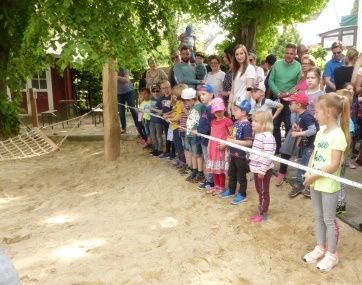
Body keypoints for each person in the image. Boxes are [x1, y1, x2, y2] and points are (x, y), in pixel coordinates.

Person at [302, 93, 350, 271]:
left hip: (328, 185)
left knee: (329, 220)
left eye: (317, 112)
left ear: (328, 111)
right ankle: (319, 247)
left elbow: (334, 164)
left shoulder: (338, 135)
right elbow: (314, 154)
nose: (315, 115)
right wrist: (308, 172)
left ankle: (332, 254)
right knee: (318, 216)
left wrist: (313, 175)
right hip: (315, 181)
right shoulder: (321, 131)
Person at [275, 68, 324, 186]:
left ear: (319, 80)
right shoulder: (300, 94)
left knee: (307, 156)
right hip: (297, 127)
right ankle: (282, 171)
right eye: (308, 78)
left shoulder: (322, 95)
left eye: (313, 78)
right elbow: (293, 112)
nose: (310, 80)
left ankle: (305, 180)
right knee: (286, 148)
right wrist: (293, 123)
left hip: (312, 129)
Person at [283, 93, 319, 198]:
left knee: (305, 165)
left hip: (311, 146)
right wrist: (300, 137)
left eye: (291, 103)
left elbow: (313, 130)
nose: (289, 106)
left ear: (298, 105)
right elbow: (307, 129)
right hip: (307, 144)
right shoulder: (302, 116)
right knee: (303, 164)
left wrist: (297, 134)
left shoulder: (306, 116)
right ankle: (302, 184)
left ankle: (302, 185)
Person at [268, 44, 302, 153]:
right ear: (284, 53)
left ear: (295, 54)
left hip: (290, 100)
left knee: (289, 124)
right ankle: (276, 148)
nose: (289, 55)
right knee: (275, 124)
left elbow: (298, 84)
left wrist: (287, 93)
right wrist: (278, 93)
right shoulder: (277, 65)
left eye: (291, 53)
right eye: (287, 53)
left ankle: (287, 149)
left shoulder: (298, 66)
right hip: (276, 98)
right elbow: (270, 80)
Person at [219, 98, 252, 204]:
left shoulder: (246, 125)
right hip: (233, 154)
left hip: (241, 156)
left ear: (243, 112)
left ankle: (242, 194)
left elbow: (248, 142)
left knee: (241, 176)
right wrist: (229, 141)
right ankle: (231, 190)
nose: (233, 112)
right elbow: (233, 136)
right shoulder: (236, 123)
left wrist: (234, 141)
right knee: (231, 173)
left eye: (236, 110)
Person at [249, 110, 276, 222]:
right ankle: (261, 207)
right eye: (253, 121)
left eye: (256, 121)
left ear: (264, 123)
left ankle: (263, 211)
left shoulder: (268, 136)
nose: (253, 123)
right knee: (259, 189)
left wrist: (262, 170)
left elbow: (268, 155)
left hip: (263, 169)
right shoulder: (258, 134)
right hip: (257, 168)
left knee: (264, 191)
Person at [205, 98, 233, 195]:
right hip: (213, 147)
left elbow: (231, 135)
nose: (218, 113)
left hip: (222, 148)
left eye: (220, 110)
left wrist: (225, 144)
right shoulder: (213, 121)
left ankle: (221, 186)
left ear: (224, 109)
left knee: (220, 169)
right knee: (214, 168)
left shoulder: (228, 121)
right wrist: (209, 147)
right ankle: (216, 185)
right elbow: (211, 134)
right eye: (216, 111)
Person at [183, 87, 206, 183]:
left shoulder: (201, 106)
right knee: (192, 153)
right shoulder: (193, 107)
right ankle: (194, 170)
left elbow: (203, 120)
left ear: (191, 99)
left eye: (186, 102)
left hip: (196, 135)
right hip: (190, 135)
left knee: (198, 154)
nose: (186, 104)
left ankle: (200, 172)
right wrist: (187, 133)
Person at [196, 84, 216, 190]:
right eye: (200, 95)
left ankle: (210, 181)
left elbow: (209, 126)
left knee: (208, 159)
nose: (201, 97)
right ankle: (209, 179)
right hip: (203, 138)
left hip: (207, 139)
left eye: (203, 94)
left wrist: (198, 131)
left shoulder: (210, 109)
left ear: (211, 94)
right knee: (206, 158)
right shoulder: (206, 107)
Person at [165, 84, 188, 168]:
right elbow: (175, 113)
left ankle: (183, 160)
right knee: (177, 144)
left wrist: (170, 119)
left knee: (180, 145)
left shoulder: (182, 104)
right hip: (175, 126)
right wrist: (168, 116)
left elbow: (179, 117)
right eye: (173, 96)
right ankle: (180, 158)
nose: (174, 98)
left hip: (179, 127)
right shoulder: (178, 103)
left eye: (176, 96)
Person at [228, 44, 255, 115]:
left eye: (241, 53)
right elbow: (232, 91)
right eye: (237, 54)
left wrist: (243, 108)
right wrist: (229, 106)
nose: (239, 56)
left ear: (245, 54)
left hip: (243, 108)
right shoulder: (235, 70)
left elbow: (249, 91)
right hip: (235, 106)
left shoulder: (250, 68)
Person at [117, 68, 139, 133]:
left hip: (129, 91)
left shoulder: (123, 69)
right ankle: (123, 127)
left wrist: (116, 77)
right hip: (118, 93)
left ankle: (138, 126)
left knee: (133, 109)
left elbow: (126, 80)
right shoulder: (109, 70)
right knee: (121, 112)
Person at [159, 80, 176, 159]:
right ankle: (168, 151)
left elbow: (174, 109)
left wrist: (167, 115)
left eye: (167, 87)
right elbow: (163, 109)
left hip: (171, 119)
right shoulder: (162, 98)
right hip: (164, 120)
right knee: (167, 136)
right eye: (163, 88)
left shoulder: (172, 97)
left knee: (172, 136)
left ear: (170, 87)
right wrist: (162, 114)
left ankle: (173, 153)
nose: (165, 89)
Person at [149, 84, 164, 156]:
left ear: (159, 91)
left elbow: (161, 111)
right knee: (153, 135)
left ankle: (160, 149)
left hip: (158, 121)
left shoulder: (161, 100)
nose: (155, 92)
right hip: (152, 120)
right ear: (151, 92)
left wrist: (153, 109)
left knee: (159, 135)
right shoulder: (151, 99)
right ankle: (155, 148)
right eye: (153, 91)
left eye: (157, 91)